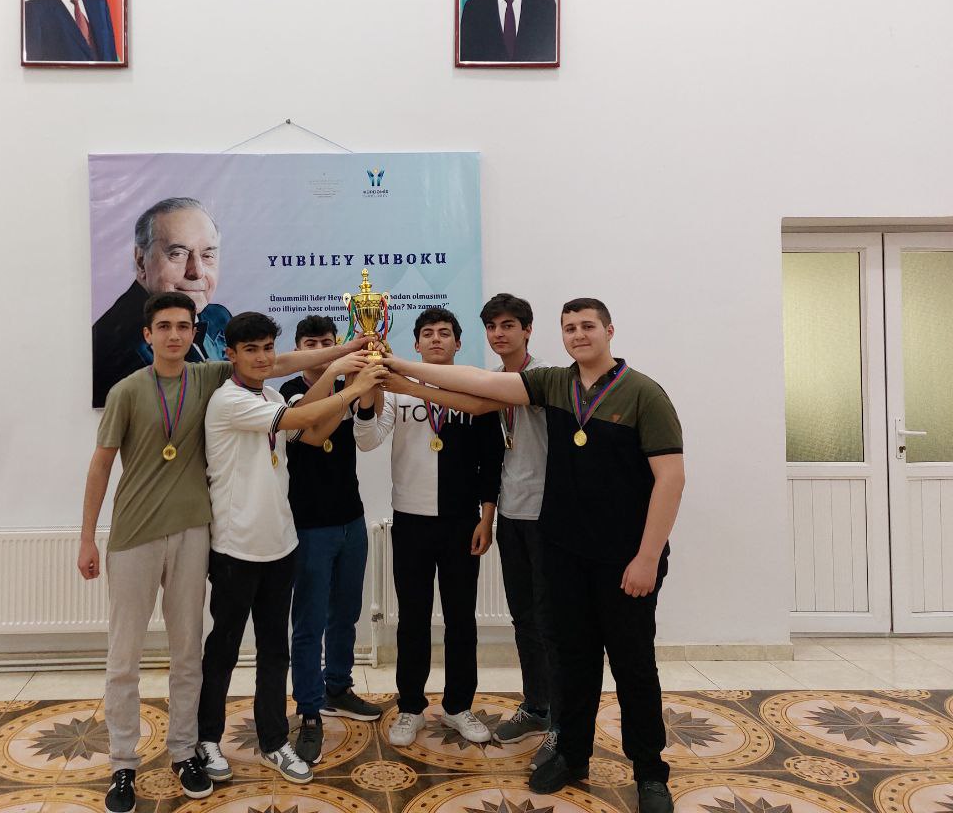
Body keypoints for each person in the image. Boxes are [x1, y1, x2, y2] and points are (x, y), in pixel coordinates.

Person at [383, 298, 685, 813]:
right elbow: (479, 388)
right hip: (565, 551)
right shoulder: (554, 384)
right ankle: (572, 754)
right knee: (574, 660)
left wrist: (648, 557)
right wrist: (399, 371)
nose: (578, 335)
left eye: (587, 326)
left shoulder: (643, 393)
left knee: (634, 667)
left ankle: (650, 773)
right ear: (560, 334)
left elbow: (671, 478)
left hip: (623, 558)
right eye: (570, 328)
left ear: (609, 330)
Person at [78, 293, 369, 813]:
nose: (174, 335)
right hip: (174, 539)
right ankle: (135, 760)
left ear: (196, 333)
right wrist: (85, 538)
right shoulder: (171, 393)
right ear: (147, 334)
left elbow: (282, 367)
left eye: (183, 326)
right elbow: (101, 465)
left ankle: (206, 747)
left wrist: (347, 351)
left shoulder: (214, 376)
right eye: (163, 326)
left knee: (213, 653)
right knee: (147, 656)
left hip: (225, 535)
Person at [196, 313, 386, 786]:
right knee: (223, 649)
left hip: (280, 544)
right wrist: (346, 378)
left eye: (267, 348)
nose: (263, 358)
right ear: (230, 354)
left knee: (274, 652)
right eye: (251, 350)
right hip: (236, 548)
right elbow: (300, 418)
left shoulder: (271, 396)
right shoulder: (228, 400)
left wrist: (355, 379)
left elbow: (312, 434)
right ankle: (207, 738)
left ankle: (274, 741)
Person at [354, 307, 503, 749]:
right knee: (413, 619)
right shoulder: (397, 394)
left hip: (462, 522)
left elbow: (491, 458)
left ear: (458, 343)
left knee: (461, 620)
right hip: (410, 521)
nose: (436, 339)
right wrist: (370, 391)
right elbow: (367, 439)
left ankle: (458, 706)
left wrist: (487, 516)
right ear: (416, 344)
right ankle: (411, 707)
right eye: (427, 333)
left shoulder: (473, 388)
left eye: (444, 333)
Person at [279, 316, 384, 766]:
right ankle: (308, 710)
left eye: (328, 341)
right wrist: (338, 372)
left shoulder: (349, 385)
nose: (321, 348)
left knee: (346, 612)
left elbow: (368, 426)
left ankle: (338, 687)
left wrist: (373, 370)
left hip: (351, 520)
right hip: (308, 526)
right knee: (309, 622)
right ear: (298, 347)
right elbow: (305, 432)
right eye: (312, 343)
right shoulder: (286, 393)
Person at [92, 197, 231, 406]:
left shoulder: (219, 317)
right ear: (141, 261)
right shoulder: (122, 352)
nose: (197, 271)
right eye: (177, 254)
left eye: (207, 255)